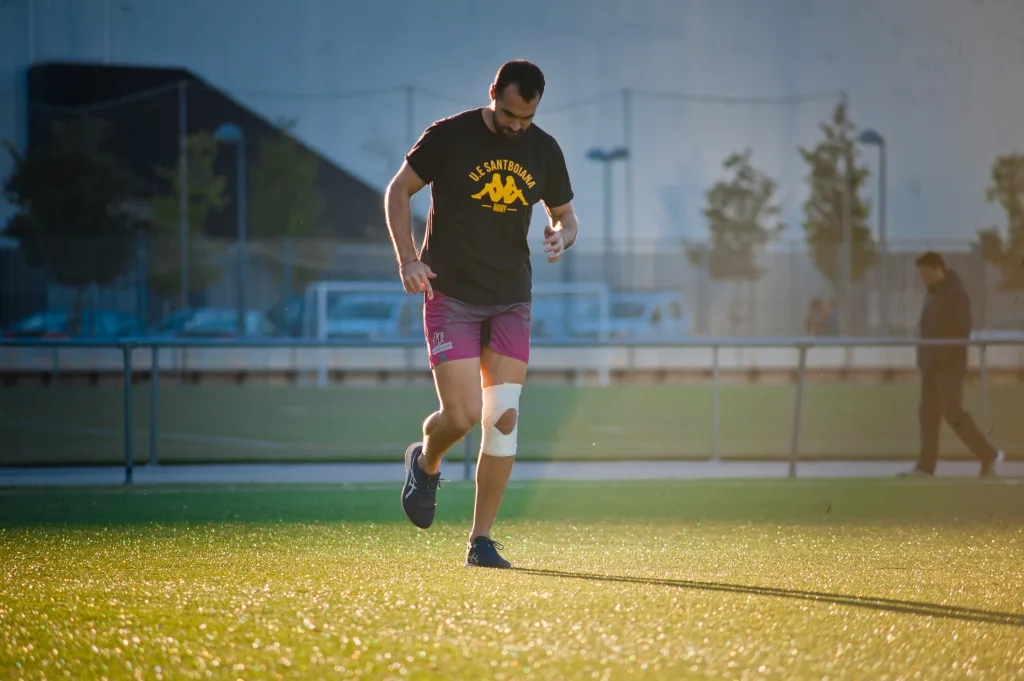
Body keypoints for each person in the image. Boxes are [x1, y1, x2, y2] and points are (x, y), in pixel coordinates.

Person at [383, 60, 578, 568]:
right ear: (494, 93)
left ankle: (480, 540)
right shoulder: (449, 136)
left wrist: (564, 234)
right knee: (464, 415)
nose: (517, 126)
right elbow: (398, 191)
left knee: (504, 419)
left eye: (527, 118)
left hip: (512, 296)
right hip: (452, 295)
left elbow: (566, 215)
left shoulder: (544, 149)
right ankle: (425, 463)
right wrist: (408, 258)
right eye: (510, 114)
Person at [902, 251, 1004, 478]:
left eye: (926, 273)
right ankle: (925, 467)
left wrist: (944, 358)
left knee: (953, 413)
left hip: (947, 367)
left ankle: (989, 454)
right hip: (931, 366)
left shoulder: (955, 294)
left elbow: (960, 331)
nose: (924, 279)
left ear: (939, 269)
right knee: (927, 415)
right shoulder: (933, 295)